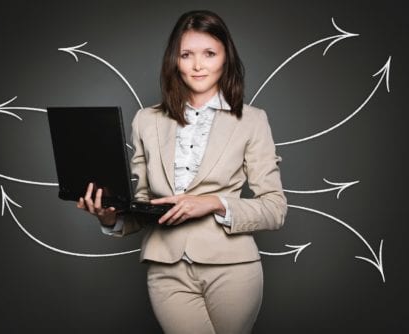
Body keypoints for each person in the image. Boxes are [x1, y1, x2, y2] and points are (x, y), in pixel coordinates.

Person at [77, 9, 287, 334]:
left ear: (226, 58)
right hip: (165, 267)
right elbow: (145, 204)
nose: (198, 65)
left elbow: (275, 209)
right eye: (186, 54)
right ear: (174, 60)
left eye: (209, 54)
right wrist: (109, 217)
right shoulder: (146, 121)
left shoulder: (252, 120)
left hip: (232, 267)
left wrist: (214, 202)